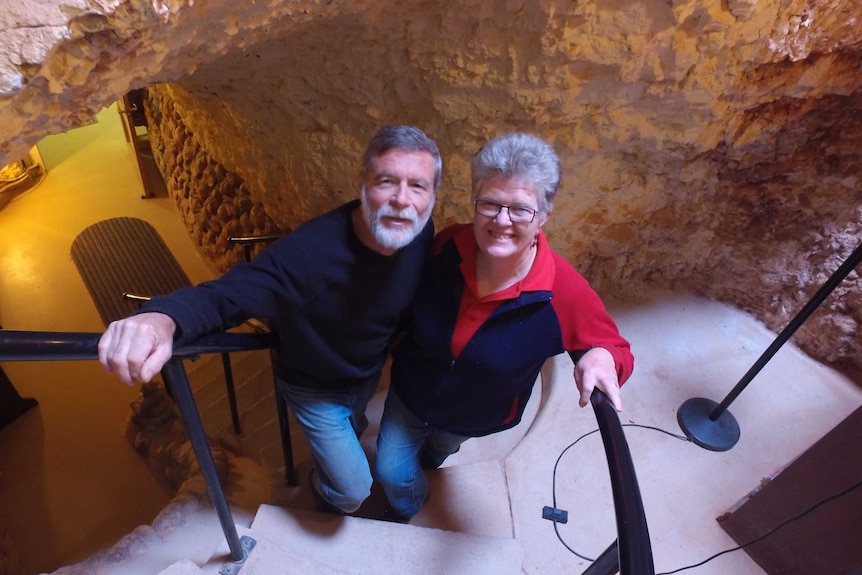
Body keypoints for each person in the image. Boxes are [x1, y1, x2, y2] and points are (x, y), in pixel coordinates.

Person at [98, 125, 442, 514]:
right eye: (386, 181)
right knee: (352, 490)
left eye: (418, 186)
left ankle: (338, 457)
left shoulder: (419, 233)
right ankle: (324, 490)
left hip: (364, 373)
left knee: (357, 427)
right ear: (363, 184)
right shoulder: (309, 254)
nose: (402, 200)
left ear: (431, 196)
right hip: (313, 386)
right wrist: (162, 319)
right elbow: (226, 296)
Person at [374, 132, 634, 521]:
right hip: (410, 395)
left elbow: (615, 350)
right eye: (490, 204)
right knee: (391, 471)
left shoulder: (561, 291)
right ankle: (407, 508)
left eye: (520, 209)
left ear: (544, 215)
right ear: (475, 202)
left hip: (475, 414)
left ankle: (428, 465)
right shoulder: (447, 246)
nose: (501, 221)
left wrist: (600, 356)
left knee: (438, 451)